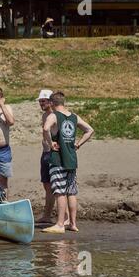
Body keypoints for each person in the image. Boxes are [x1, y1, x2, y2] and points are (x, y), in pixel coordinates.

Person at [42, 92, 94, 234]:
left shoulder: (53, 116)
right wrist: (78, 144)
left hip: (58, 158)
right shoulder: (74, 117)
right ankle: (72, 223)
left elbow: (46, 128)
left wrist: (50, 142)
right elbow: (90, 130)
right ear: (63, 102)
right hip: (71, 158)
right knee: (71, 192)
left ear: (52, 103)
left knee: (60, 192)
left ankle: (59, 224)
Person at [35, 90, 69, 225]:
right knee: (47, 186)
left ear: (50, 101)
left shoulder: (57, 116)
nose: (41, 104)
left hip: (54, 154)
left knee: (58, 186)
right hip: (45, 153)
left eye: (43, 101)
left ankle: (66, 217)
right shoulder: (45, 115)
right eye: (40, 101)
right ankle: (47, 216)